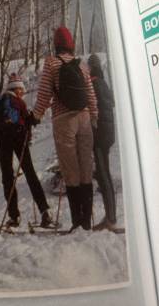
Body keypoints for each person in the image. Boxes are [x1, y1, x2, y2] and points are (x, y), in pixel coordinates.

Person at [0, 73, 53, 228]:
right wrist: (34, 121)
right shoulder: (19, 102)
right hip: (20, 138)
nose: (23, 92)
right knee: (30, 174)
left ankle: (14, 217)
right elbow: (28, 120)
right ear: (17, 89)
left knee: (7, 178)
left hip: (3, 139)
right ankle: (44, 212)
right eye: (21, 89)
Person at [32, 26, 98, 232]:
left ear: (56, 44)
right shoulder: (81, 65)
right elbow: (90, 93)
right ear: (71, 44)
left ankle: (77, 222)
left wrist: (35, 115)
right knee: (86, 167)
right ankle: (86, 221)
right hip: (84, 118)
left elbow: (44, 94)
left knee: (71, 171)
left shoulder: (51, 63)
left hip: (64, 120)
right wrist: (94, 116)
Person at [88, 54, 117, 231]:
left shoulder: (93, 83)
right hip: (108, 133)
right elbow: (112, 103)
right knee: (103, 172)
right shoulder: (104, 84)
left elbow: (90, 105)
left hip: (99, 134)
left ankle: (111, 218)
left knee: (103, 174)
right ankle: (110, 215)